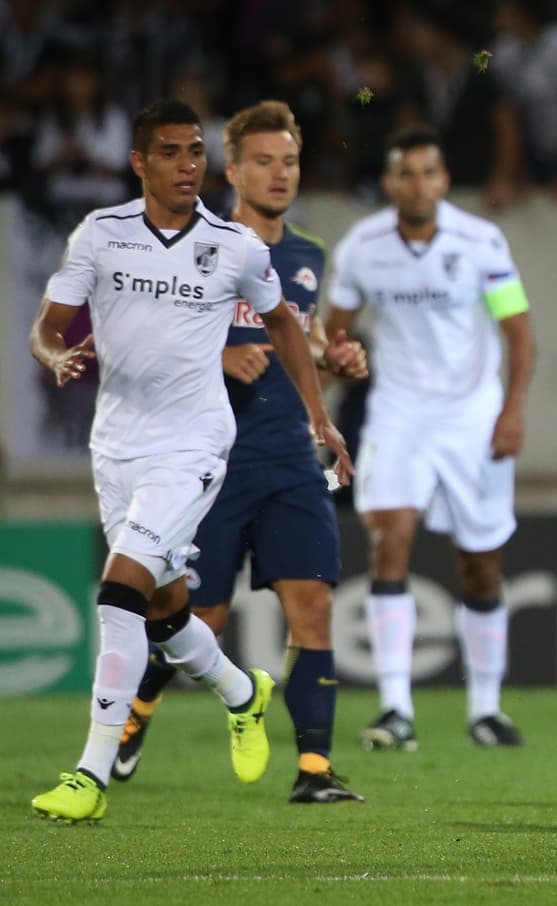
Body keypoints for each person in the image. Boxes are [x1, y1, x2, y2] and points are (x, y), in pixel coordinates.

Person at [28, 99, 353, 824]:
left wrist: (319, 416)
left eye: (194, 152)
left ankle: (90, 773)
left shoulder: (235, 246)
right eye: (169, 152)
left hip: (196, 445)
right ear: (139, 162)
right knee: (171, 609)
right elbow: (48, 328)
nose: (185, 165)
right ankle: (244, 692)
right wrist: (57, 354)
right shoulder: (101, 236)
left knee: (121, 593)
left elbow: (285, 325)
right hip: (116, 446)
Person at [110, 100, 369, 803]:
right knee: (200, 622)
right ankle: (134, 713)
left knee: (311, 603)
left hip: (289, 458)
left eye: (288, 161)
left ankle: (314, 770)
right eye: (263, 161)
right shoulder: (191, 245)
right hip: (207, 463)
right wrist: (219, 354)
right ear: (234, 169)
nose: (278, 174)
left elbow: (300, 337)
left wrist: (333, 358)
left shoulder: (308, 254)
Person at [325, 125, 536, 750]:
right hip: (397, 414)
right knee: (389, 538)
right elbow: (332, 339)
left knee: (479, 564)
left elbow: (518, 333)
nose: (418, 184)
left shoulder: (481, 240)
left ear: (444, 180)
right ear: (389, 182)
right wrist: (327, 391)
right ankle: (396, 710)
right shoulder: (362, 247)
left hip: (473, 417)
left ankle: (485, 709)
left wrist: (513, 411)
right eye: (405, 173)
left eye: (429, 172)